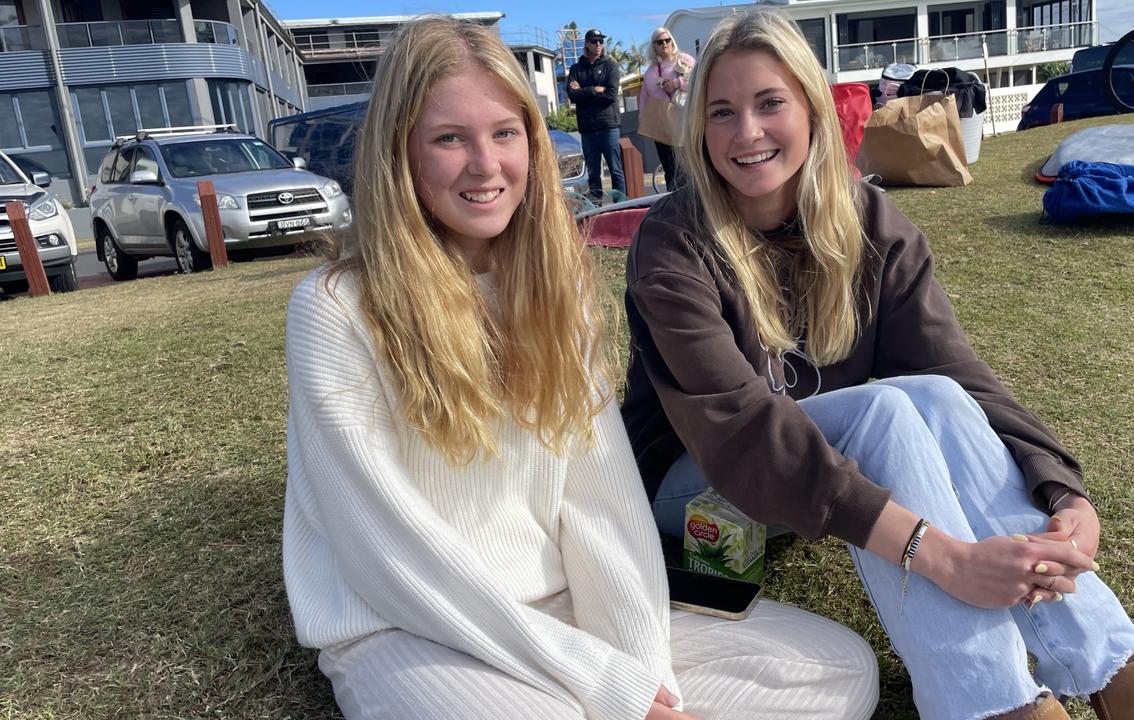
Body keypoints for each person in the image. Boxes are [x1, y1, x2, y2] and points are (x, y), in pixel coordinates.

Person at [621, 11, 1134, 720]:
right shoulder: (673, 244)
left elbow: (961, 377)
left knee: (935, 396)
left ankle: (1122, 671)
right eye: (722, 113)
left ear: (812, 110)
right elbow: (741, 433)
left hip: (808, 473)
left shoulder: (869, 222)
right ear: (699, 130)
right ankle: (989, 702)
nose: (747, 133)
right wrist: (943, 556)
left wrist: (1066, 495)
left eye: (769, 103)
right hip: (692, 488)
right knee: (881, 410)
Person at [283, 15, 880, 720]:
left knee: (839, 670)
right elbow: (391, 558)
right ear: (400, 152)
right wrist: (606, 685)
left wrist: (643, 671)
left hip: (566, 606)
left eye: (506, 134)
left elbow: (603, 498)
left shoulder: (551, 288)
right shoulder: (333, 309)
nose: (486, 165)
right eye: (450, 138)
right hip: (413, 627)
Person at [568, 28, 625, 201]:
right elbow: (572, 95)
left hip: (608, 126)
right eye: (594, 41)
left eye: (600, 41)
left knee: (616, 171)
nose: (598, 44)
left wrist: (584, 92)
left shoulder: (610, 65)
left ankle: (622, 206)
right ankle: (596, 211)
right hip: (588, 129)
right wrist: (594, 89)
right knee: (593, 173)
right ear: (587, 44)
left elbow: (610, 95)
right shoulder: (577, 68)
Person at [639, 27, 696, 190]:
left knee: (687, 166)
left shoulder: (685, 60)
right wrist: (643, 120)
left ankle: (693, 200)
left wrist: (677, 84)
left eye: (667, 40)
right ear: (654, 46)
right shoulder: (650, 72)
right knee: (669, 167)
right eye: (659, 41)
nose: (664, 44)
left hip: (684, 120)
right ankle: (673, 202)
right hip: (661, 124)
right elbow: (644, 97)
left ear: (672, 41)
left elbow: (698, 81)